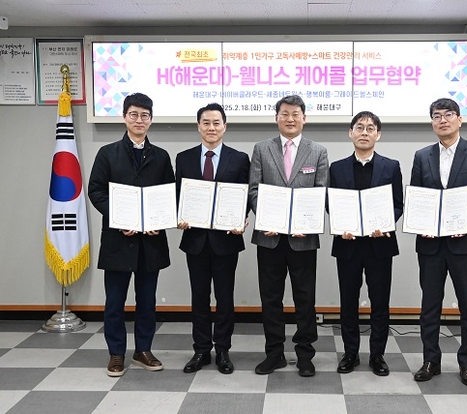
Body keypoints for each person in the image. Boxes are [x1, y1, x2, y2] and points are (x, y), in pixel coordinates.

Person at [410, 97, 467, 386]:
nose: (443, 120)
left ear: (459, 119)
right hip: (431, 245)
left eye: (449, 115)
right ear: (432, 122)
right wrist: (421, 223)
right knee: (429, 307)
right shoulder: (422, 156)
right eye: (437, 116)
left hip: (465, 245)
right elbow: (417, 198)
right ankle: (430, 361)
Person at [88, 92, 175, 377]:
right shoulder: (108, 153)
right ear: (125, 117)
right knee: (115, 302)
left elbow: (169, 195)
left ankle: (143, 350)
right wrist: (118, 218)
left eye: (145, 115)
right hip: (118, 239)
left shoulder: (161, 156)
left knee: (147, 301)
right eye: (134, 114)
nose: (139, 120)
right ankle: (116, 353)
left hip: (150, 241)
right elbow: (96, 191)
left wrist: (160, 221)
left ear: (151, 120)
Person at [248, 95, 329, 377]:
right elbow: (254, 189)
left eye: (295, 114)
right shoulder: (261, 149)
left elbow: (321, 192)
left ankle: (305, 355)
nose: (290, 119)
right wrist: (265, 218)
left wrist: (307, 222)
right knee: (271, 298)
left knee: (305, 299)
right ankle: (274, 353)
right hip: (269, 237)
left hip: (302, 239)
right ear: (276, 118)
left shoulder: (318, 151)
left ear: (304, 118)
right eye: (284, 114)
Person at [176, 103, 250, 375]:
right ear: (198, 126)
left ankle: (223, 350)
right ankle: (201, 350)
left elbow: (245, 195)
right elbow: (178, 194)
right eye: (206, 122)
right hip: (195, 239)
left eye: (216, 123)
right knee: (199, 298)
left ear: (224, 126)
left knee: (225, 298)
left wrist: (241, 218)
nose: (211, 127)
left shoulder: (239, 159)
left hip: (226, 240)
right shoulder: (183, 158)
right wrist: (179, 215)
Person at [329, 111, 403, 376]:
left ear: (378, 135)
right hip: (347, 244)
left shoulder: (391, 166)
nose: (364, 132)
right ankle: (350, 353)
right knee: (348, 302)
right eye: (359, 127)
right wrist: (341, 225)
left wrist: (386, 223)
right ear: (350, 133)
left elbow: (398, 204)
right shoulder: (336, 168)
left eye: (370, 128)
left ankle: (377, 355)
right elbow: (330, 203)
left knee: (379, 303)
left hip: (379, 245)